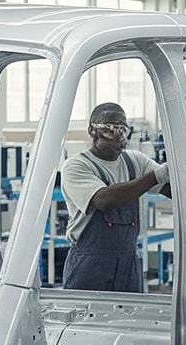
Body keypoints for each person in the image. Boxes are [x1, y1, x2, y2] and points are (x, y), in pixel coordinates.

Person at [57, 103, 170, 291]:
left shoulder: (136, 161)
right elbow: (104, 201)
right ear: (92, 130)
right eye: (111, 129)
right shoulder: (76, 166)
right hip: (89, 265)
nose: (118, 135)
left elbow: (170, 189)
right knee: (86, 318)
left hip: (128, 262)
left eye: (123, 129)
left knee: (129, 318)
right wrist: (155, 176)